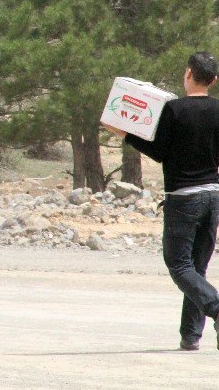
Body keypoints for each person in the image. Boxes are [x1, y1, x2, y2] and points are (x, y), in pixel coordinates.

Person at [102, 52, 219, 351]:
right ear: (214, 80)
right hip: (213, 195)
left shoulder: (175, 110)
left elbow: (159, 151)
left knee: (179, 265)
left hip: (183, 197)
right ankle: (191, 336)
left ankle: (217, 308)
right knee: (197, 267)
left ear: (188, 73)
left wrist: (125, 134)